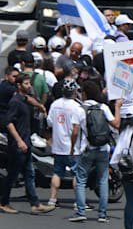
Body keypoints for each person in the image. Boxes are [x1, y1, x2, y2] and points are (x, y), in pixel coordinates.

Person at [0, 73, 56, 214]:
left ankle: (35, 203)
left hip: (26, 142)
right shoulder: (15, 102)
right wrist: (19, 141)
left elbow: (29, 99)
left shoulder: (23, 99)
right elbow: (8, 122)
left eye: (29, 83)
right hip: (18, 145)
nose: (29, 86)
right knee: (12, 175)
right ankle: (3, 202)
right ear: (19, 86)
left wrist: (40, 106)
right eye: (26, 84)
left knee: (29, 174)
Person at [71, 81, 121, 222]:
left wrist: (72, 147)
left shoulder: (79, 109)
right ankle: (102, 214)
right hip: (103, 148)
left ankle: (81, 212)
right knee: (103, 180)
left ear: (84, 93)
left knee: (81, 180)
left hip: (87, 148)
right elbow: (116, 124)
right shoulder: (103, 107)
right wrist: (117, 107)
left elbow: (75, 132)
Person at [46, 78, 84, 208]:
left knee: (57, 173)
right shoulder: (77, 107)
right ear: (75, 92)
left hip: (58, 146)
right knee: (76, 174)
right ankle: (77, 201)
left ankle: (52, 199)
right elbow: (79, 128)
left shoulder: (55, 104)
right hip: (73, 147)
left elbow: (49, 122)